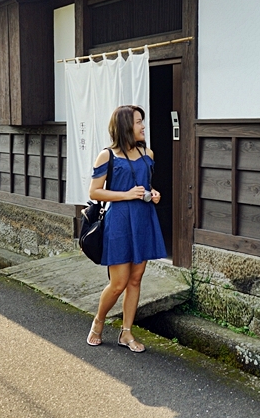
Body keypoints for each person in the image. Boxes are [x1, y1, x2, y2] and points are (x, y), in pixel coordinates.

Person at [85, 105, 165, 352]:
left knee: (136, 278)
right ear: (125, 126)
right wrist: (126, 194)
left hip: (143, 218)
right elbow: (94, 191)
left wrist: (153, 194)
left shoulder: (147, 154)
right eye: (139, 121)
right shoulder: (107, 155)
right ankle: (98, 322)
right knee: (118, 283)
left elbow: (145, 185)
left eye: (142, 121)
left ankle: (126, 333)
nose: (143, 126)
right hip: (119, 220)